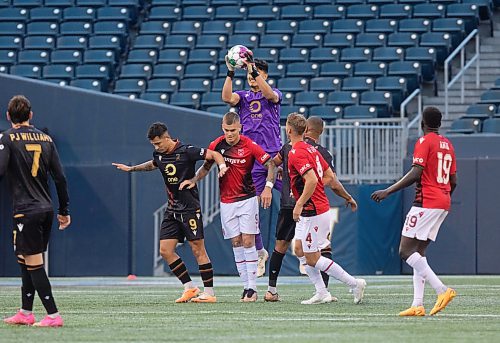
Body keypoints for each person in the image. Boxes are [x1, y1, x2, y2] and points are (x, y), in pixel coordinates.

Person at [113, 122, 228, 303]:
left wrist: (221, 168)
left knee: (198, 249)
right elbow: (153, 164)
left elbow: (213, 154)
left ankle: (210, 293)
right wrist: (132, 169)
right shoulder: (159, 155)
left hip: (190, 208)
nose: (157, 147)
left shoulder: (186, 150)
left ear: (167, 138)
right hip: (172, 210)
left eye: (159, 143)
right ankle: (189, 287)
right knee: (165, 251)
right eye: (154, 145)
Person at [371, 107, 457, 316]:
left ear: (422, 123)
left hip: (426, 202)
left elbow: (416, 172)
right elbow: (453, 181)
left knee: (405, 251)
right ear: (440, 123)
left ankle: (442, 290)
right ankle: (417, 304)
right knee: (419, 253)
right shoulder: (448, 145)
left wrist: (388, 191)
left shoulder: (424, 141)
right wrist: (442, 195)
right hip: (443, 201)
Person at [182, 112, 276, 302]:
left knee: (248, 241)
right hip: (226, 202)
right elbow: (206, 167)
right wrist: (194, 180)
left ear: (240, 127)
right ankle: (245, 287)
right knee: (236, 243)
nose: (230, 134)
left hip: (248, 199)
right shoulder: (216, 145)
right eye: (226, 130)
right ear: (222, 128)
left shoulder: (249, 145)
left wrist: (267, 187)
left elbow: (271, 164)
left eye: (233, 130)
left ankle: (252, 288)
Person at [264, 116, 358, 303]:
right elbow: (331, 178)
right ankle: (322, 291)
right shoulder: (315, 151)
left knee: (311, 256)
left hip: (309, 207)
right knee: (300, 249)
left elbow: (312, 180)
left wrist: (299, 201)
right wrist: (347, 197)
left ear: (289, 130)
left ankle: (354, 283)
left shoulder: (296, 151)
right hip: (312, 206)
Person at [0, 95, 70, 327]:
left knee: (33, 261)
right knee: (26, 259)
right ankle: (25, 312)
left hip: (25, 210)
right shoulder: (46, 139)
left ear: (8, 116)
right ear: (31, 115)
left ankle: (52, 315)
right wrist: (64, 209)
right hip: (46, 208)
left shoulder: (7, 138)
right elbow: (59, 177)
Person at [222, 53, 283, 277]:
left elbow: (269, 94)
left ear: (264, 74)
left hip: (275, 158)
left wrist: (255, 72)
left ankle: (306, 250)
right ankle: (259, 252)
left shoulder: (273, 93)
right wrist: (230, 71)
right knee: (250, 208)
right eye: (248, 75)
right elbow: (227, 97)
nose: (251, 78)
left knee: (295, 197)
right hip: (252, 160)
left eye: (255, 74)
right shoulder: (244, 97)